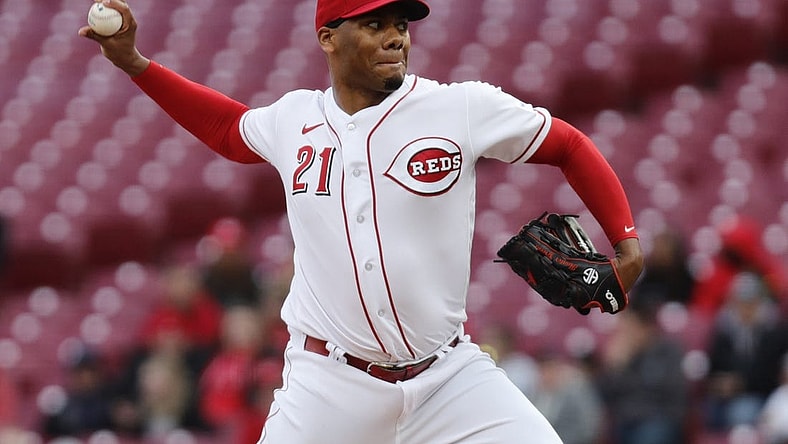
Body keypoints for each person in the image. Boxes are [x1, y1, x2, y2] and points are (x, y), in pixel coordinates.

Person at [79, 0, 644, 442]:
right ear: (328, 38)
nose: (395, 36)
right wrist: (135, 64)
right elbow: (229, 130)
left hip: (448, 377)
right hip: (328, 386)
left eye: (400, 24)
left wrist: (626, 242)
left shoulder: (459, 107)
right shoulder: (295, 119)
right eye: (373, 24)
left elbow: (568, 144)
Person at [595, 297, 689, 444]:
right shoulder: (623, 354)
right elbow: (604, 395)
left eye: (630, 328)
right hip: (624, 421)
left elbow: (674, 393)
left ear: (645, 327)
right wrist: (614, 368)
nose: (626, 334)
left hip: (659, 418)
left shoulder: (668, 351)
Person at [703, 272, 788, 431]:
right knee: (708, 412)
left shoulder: (774, 332)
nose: (746, 309)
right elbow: (713, 366)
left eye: (751, 303)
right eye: (741, 303)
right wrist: (719, 383)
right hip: (724, 395)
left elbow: (772, 373)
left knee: (741, 413)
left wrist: (740, 384)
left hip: (759, 393)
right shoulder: (724, 331)